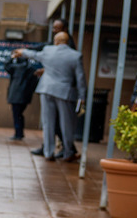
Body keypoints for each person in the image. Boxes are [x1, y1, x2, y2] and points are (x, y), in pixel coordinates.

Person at [14, 31, 87, 163]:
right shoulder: (75, 56)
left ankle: (48, 152)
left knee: (48, 123)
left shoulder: (48, 50)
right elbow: (80, 79)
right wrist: (82, 96)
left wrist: (22, 51)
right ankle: (68, 152)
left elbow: (35, 55)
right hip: (64, 92)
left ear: (57, 41)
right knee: (66, 124)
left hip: (46, 89)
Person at [30, 18, 77, 157]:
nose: (54, 30)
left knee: (59, 123)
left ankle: (68, 149)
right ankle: (48, 148)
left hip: (63, 90)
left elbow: (64, 66)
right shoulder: (53, 42)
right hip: (51, 89)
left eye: (57, 28)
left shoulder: (68, 45)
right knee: (50, 122)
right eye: (54, 27)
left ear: (65, 30)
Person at [4, 55, 40, 140]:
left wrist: (12, 57)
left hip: (15, 95)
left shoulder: (16, 68)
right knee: (19, 114)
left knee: (17, 115)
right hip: (26, 96)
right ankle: (19, 132)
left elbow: (6, 65)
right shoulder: (32, 69)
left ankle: (18, 133)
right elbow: (35, 83)